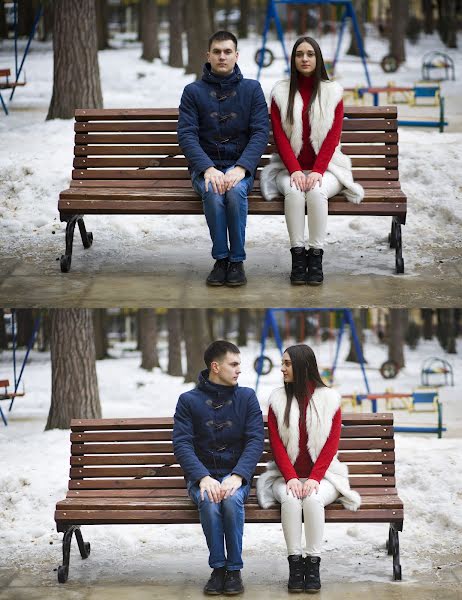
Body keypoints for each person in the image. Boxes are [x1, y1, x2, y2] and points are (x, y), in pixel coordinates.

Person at [256, 344, 361, 593]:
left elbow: (330, 446)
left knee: (312, 500)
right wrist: (291, 478)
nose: (282, 369)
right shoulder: (277, 400)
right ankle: (295, 565)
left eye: (287, 364)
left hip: (324, 476)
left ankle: (312, 564)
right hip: (285, 476)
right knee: (292, 500)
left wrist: (314, 478)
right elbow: (277, 446)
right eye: (283, 363)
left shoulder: (329, 400)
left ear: (303, 366)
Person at [260, 37, 364, 286]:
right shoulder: (280, 92)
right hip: (288, 167)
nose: (304, 59)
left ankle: (315, 257)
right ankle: (298, 257)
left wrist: (317, 171)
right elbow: (280, 138)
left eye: (309, 54)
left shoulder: (332, 92)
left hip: (328, 168)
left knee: (316, 192)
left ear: (317, 59)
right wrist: (295, 170)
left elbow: (332, 138)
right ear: (293, 60)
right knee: (295, 192)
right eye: (299, 54)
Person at [178, 31, 269, 287]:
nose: (222, 56)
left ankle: (237, 261)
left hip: (240, 168)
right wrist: (206, 168)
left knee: (234, 192)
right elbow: (186, 135)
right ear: (208, 55)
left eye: (227, 51)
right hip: (205, 169)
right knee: (213, 191)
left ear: (236, 55)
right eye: (217, 51)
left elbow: (261, 132)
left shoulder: (252, 89)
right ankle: (221, 260)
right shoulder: (192, 91)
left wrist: (242, 167)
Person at [173, 340, 264, 595]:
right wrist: (202, 477)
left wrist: (238, 475)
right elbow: (182, 444)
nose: (239, 370)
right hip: (202, 477)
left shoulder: (247, 397)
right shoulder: (188, 400)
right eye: (233, 364)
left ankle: (234, 570)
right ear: (215, 366)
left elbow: (256, 440)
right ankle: (218, 569)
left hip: (236, 476)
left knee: (231, 501)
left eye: (239, 365)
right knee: (209, 502)